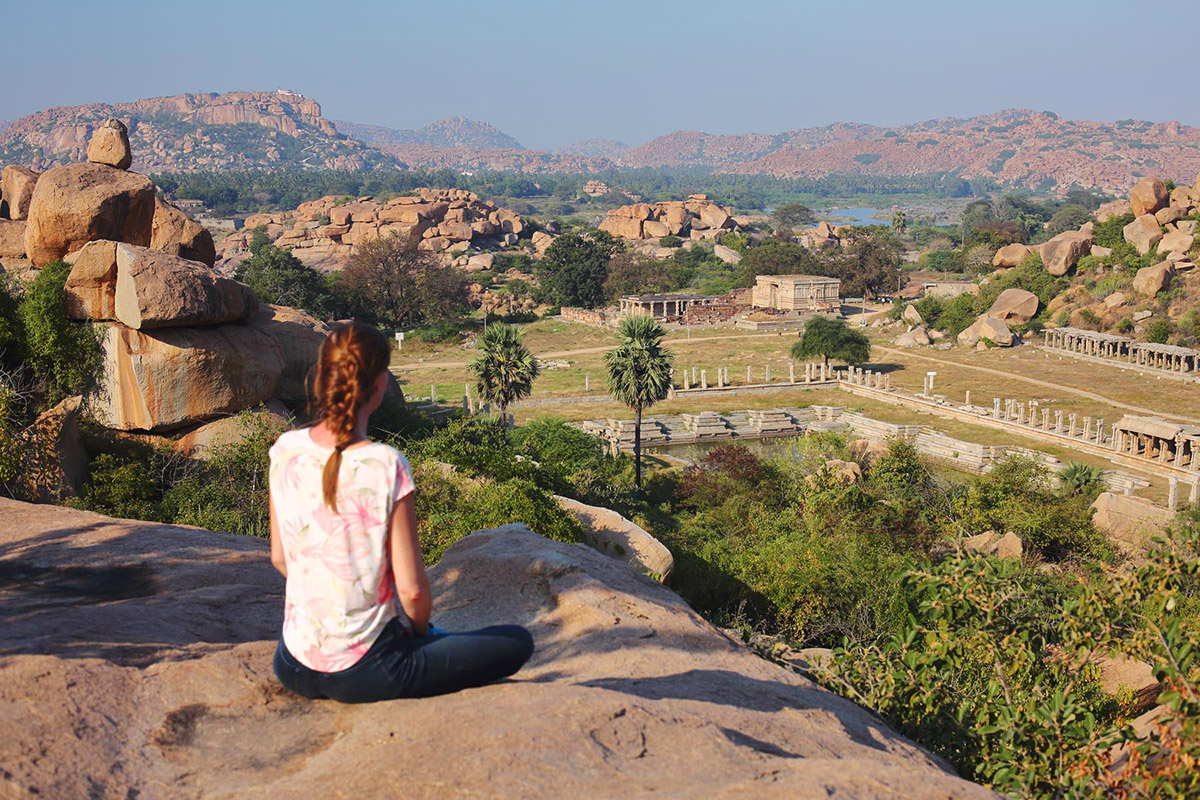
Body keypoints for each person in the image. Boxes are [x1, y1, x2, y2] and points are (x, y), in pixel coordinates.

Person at [268, 321, 533, 703]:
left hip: (292, 663)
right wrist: (420, 632)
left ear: (323, 378)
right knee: (516, 642)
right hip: (367, 671)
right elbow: (412, 590)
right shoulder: (384, 464)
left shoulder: (285, 448)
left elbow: (281, 557)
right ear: (379, 385)